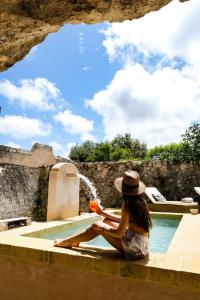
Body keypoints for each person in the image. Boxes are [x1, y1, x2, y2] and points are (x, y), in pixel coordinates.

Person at [54, 170, 152, 260]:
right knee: (106, 221)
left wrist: (101, 228)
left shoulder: (127, 205)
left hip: (134, 250)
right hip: (142, 245)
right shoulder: (141, 202)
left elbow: (119, 233)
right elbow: (126, 221)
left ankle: (67, 242)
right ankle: (76, 240)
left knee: (96, 225)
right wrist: (103, 213)